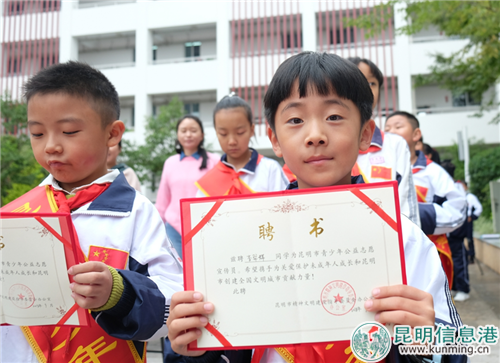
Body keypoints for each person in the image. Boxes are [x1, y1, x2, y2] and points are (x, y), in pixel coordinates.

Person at [165, 52, 465, 363]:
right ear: (275, 140)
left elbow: (455, 352)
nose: (316, 136)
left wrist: (425, 342)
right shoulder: (237, 245)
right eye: (295, 120)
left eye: (334, 116)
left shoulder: (405, 240)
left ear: (365, 134)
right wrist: (194, 350)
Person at [0, 61, 183, 363]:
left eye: (69, 131)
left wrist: (119, 293)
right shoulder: (17, 215)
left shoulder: (135, 212)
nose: (51, 147)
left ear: (112, 134)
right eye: (37, 134)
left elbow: (172, 306)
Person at [385, 111, 467, 288]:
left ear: (416, 135)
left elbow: (458, 209)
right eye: (387, 128)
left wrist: (419, 214)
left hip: (427, 250)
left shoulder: (432, 172)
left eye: (398, 127)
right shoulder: (378, 169)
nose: (391, 132)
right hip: (388, 252)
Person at [347, 57, 420, 227]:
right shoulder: (321, 143)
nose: (365, 88)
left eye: (371, 83)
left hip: (387, 242)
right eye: (356, 81)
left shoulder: (395, 145)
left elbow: (407, 207)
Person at [195, 94, 288, 197]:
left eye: (240, 132)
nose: (232, 141)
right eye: (223, 134)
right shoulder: (210, 179)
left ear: (252, 130)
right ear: (216, 132)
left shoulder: (270, 170)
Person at [156, 115, 219, 259]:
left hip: (204, 226)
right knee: (178, 272)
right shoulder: (170, 162)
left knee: (201, 267)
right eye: (183, 130)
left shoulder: (214, 161)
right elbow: (162, 201)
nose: (188, 134)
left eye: (193, 130)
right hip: (173, 229)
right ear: (177, 135)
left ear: (202, 135)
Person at [441, 161, 470, 302]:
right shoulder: (444, 186)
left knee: (459, 262)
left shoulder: (456, 187)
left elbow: (461, 211)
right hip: (443, 233)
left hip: (456, 233)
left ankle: (464, 289)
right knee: (447, 262)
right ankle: (453, 287)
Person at [458, 180, 483, 264]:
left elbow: (479, 208)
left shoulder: (470, 197)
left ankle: (471, 257)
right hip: (459, 221)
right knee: (458, 239)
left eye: (463, 186)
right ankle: (463, 255)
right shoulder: (456, 196)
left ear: (466, 187)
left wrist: (472, 217)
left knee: (469, 239)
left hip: (467, 221)